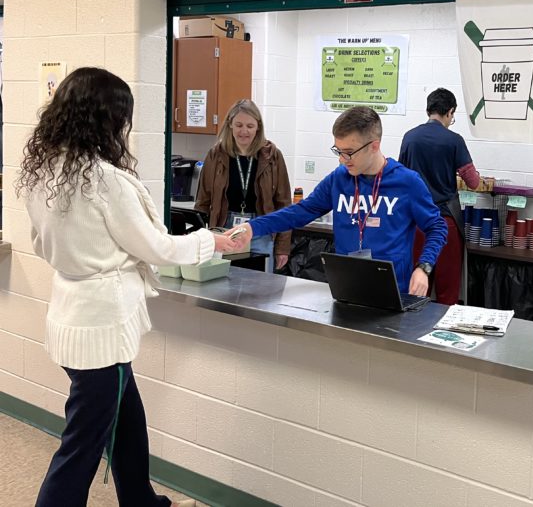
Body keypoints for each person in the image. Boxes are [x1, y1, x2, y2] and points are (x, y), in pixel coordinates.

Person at [16, 67, 238, 507]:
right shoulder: (104, 180)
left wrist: (85, 259)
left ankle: (140, 500)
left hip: (71, 315)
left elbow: (41, 244)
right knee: (82, 443)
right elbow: (156, 247)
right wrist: (210, 241)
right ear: (106, 119)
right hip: (103, 327)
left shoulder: (45, 171)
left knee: (127, 422)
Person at [228, 106, 447, 295]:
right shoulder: (339, 179)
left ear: (374, 146)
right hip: (345, 287)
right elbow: (300, 212)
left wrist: (424, 267)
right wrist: (253, 227)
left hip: (393, 291)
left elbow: (437, 227)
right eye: (339, 151)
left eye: (349, 152)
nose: (343, 160)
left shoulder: (407, 183)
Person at [400, 88, 480, 304]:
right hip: (445, 224)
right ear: (450, 112)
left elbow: (401, 178)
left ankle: (411, 335)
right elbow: (473, 182)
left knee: (416, 289)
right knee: (447, 292)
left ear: (429, 110)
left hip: (415, 224)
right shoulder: (454, 140)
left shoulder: (409, 138)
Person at [195, 99, 292, 273]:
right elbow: (203, 201)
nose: (244, 131)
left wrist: (282, 247)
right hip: (224, 229)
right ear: (230, 125)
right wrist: (199, 240)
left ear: (258, 127)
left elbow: (284, 204)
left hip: (260, 229)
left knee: (260, 292)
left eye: (250, 126)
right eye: (239, 125)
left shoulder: (272, 156)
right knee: (223, 287)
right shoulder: (216, 155)